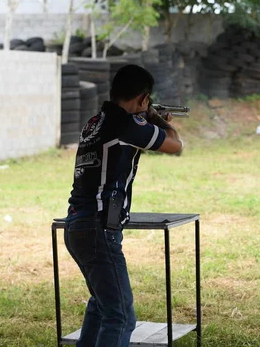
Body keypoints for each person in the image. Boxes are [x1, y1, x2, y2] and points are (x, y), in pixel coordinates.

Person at [63, 64, 183, 347]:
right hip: (99, 229)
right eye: (147, 101)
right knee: (121, 318)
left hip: (78, 225)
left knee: (101, 306)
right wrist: (159, 120)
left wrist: (147, 117)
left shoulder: (93, 122)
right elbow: (176, 145)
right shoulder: (128, 125)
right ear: (142, 99)